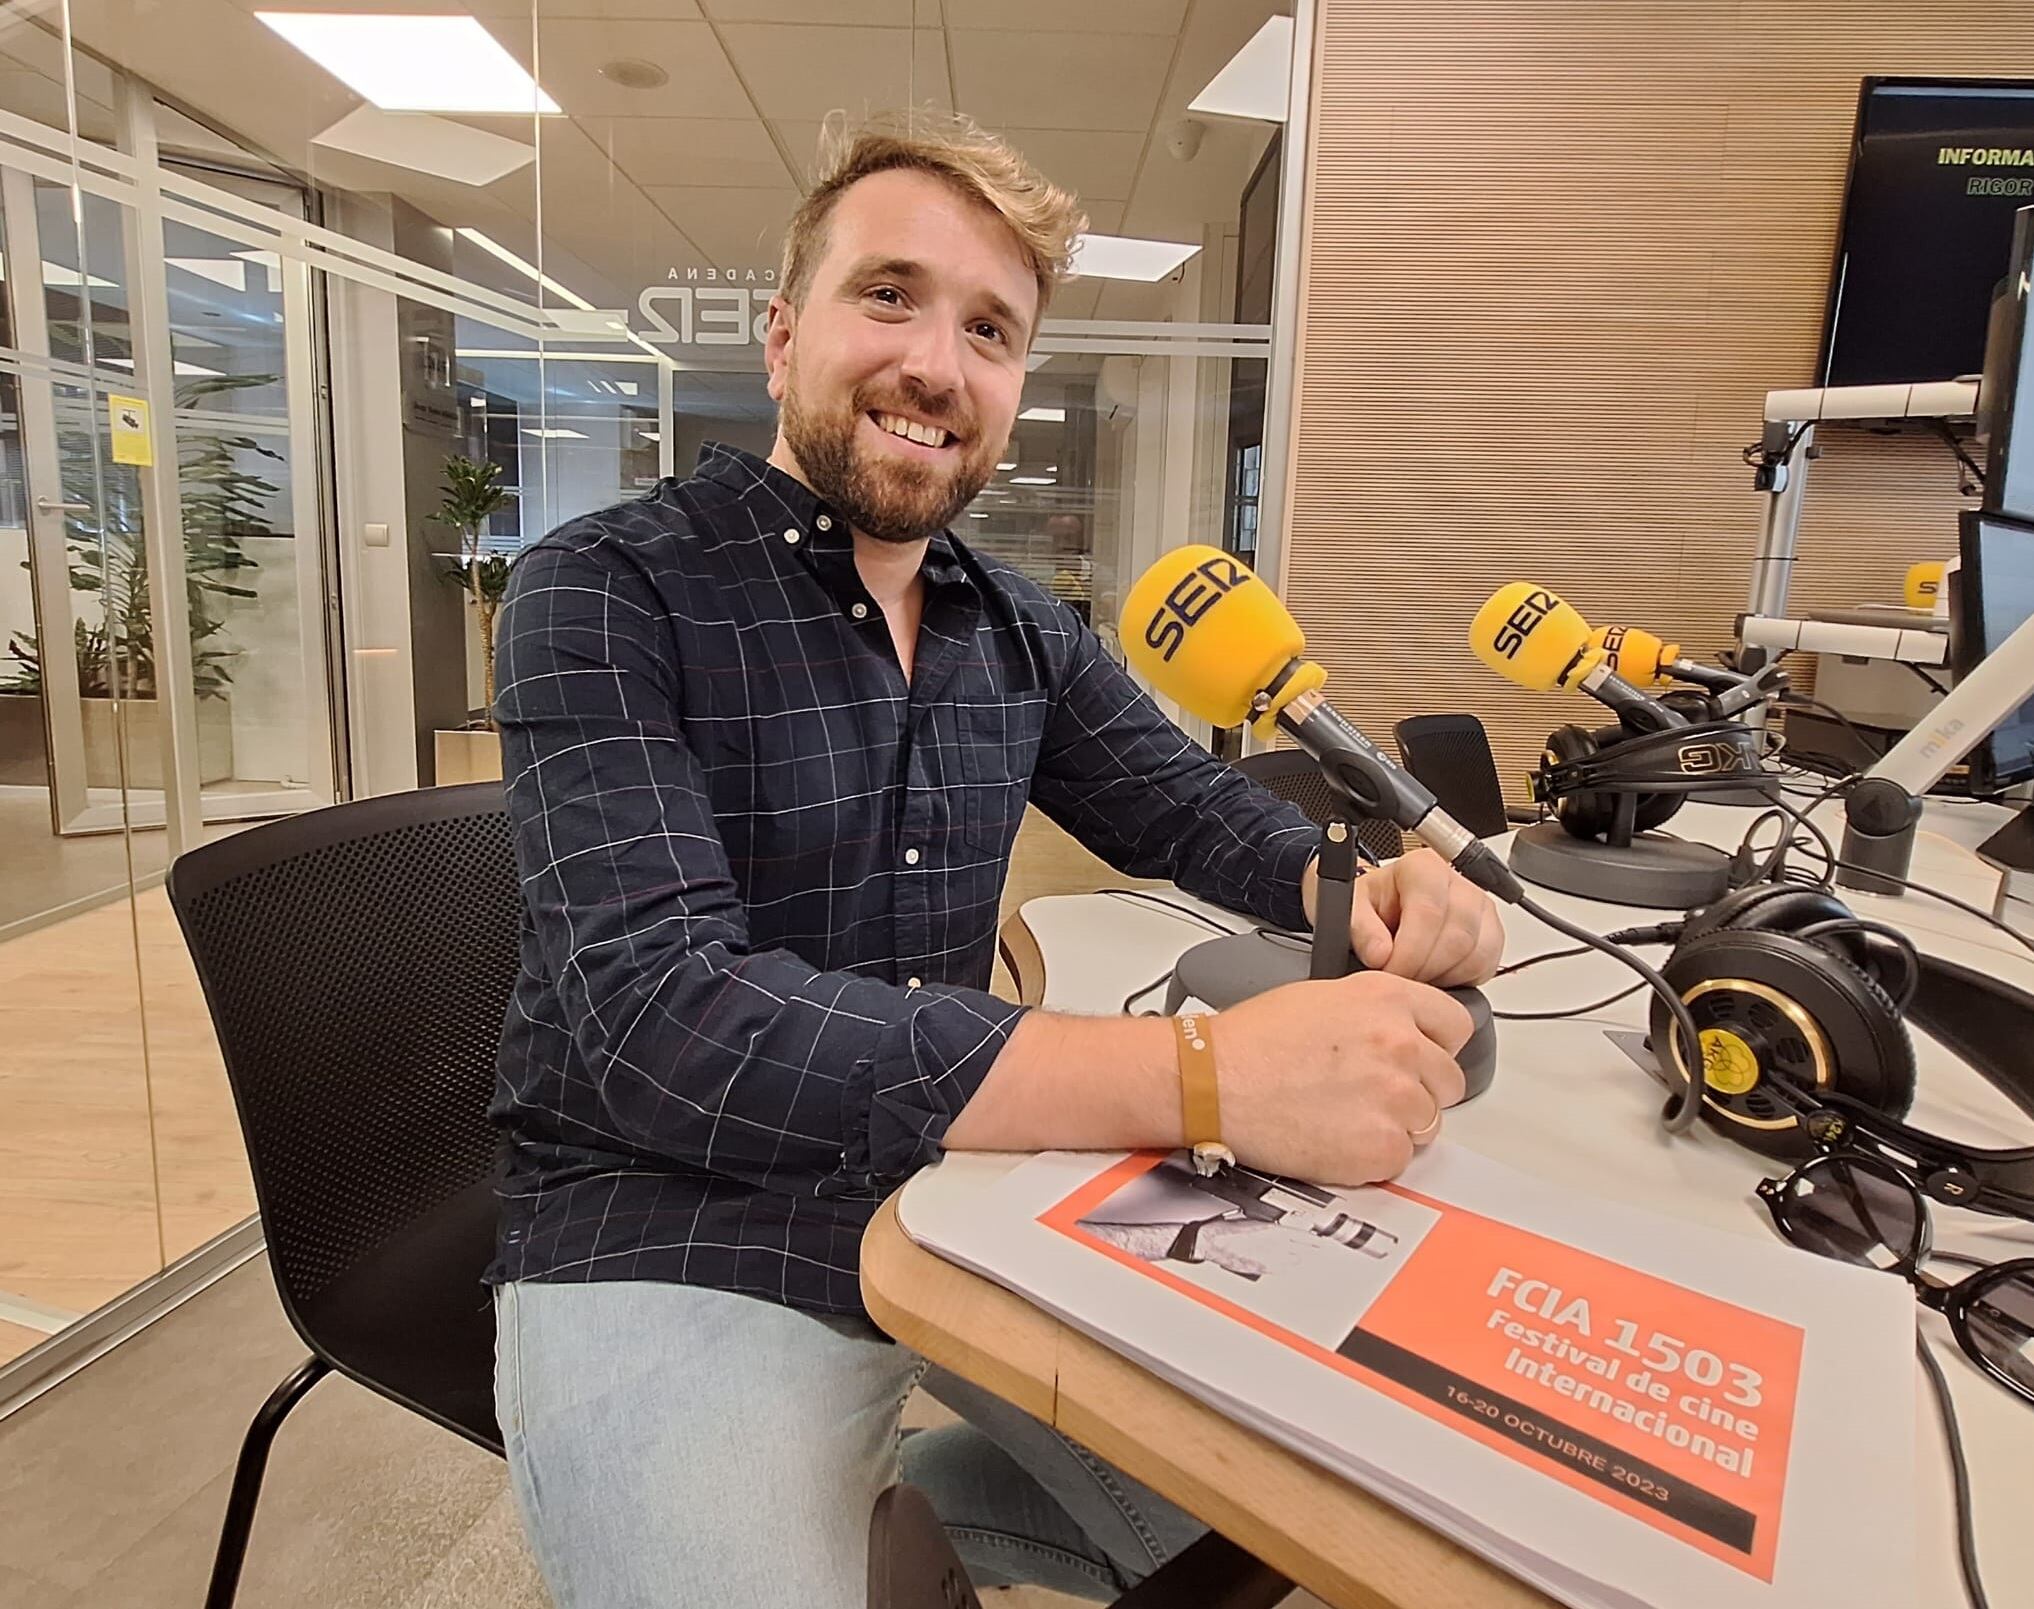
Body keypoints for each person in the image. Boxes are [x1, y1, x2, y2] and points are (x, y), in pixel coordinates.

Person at [488, 110, 1504, 1609]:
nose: (936, 363)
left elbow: (1182, 804)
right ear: (781, 336)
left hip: (964, 1178)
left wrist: (1348, 889)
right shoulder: (601, 585)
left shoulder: (1017, 623)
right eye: (887, 294)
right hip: (672, 1212)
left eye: (989, 328)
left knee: (1376, 1523)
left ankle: (932, 1514)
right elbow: (663, 1018)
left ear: (1014, 385)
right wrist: (1210, 1077)